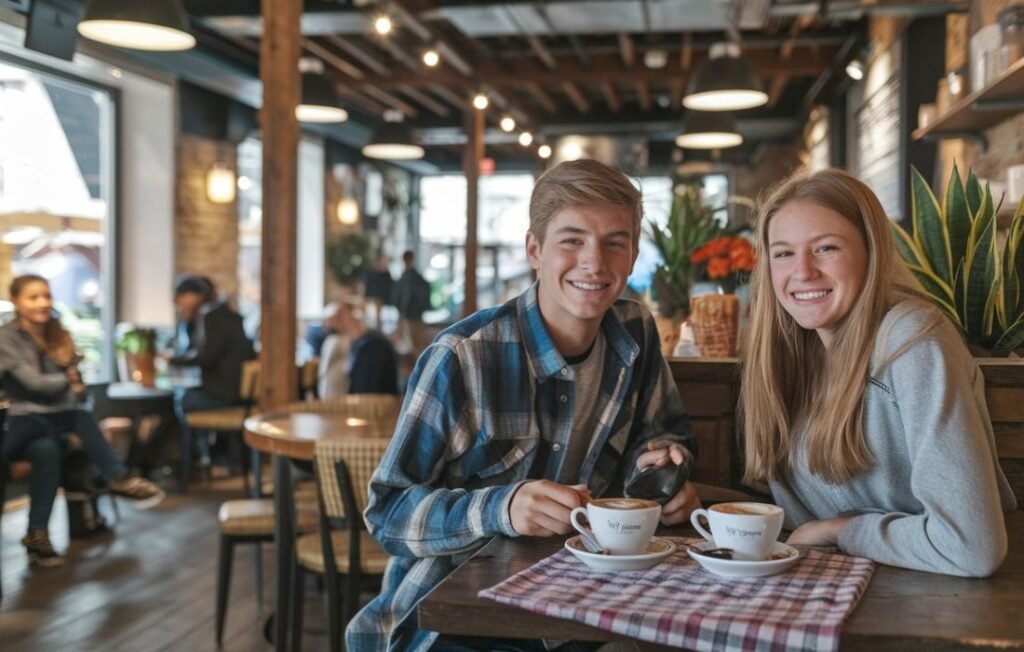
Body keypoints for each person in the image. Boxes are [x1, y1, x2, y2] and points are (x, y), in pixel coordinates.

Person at [347, 160, 700, 651]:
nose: (594, 263)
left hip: (585, 600)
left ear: (633, 253)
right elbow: (386, 514)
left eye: (614, 242)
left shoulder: (635, 330)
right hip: (456, 620)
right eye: (572, 240)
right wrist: (501, 508)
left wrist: (661, 468)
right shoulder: (462, 356)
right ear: (535, 250)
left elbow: (665, 433)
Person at [740, 168, 1017, 577]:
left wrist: (840, 530)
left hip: (929, 599)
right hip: (835, 584)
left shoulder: (912, 338)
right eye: (783, 253)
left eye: (826, 248)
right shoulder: (792, 353)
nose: (802, 271)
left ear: (872, 252)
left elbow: (971, 547)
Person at [0, 275, 165, 567]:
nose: (43, 303)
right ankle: (117, 476)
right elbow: (34, 384)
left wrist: (71, 380)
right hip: (20, 423)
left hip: (49, 425)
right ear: (16, 300)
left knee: (48, 450)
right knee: (77, 417)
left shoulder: (57, 332)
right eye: (34, 297)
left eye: (47, 296)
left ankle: (37, 535)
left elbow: (80, 385)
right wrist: (67, 378)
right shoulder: (6, 338)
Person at [169, 275, 254, 470]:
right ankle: (209, 455)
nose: (178, 303)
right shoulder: (224, 313)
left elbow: (207, 357)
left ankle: (195, 461)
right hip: (236, 392)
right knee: (184, 397)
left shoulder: (211, 316)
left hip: (225, 394)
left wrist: (173, 360)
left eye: (181, 296)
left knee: (181, 400)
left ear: (193, 296)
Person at [318, 297, 399, 398]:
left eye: (339, 314)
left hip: (376, 409)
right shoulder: (355, 345)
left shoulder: (374, 347)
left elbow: (368, 393)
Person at [393, 249, 432, 356]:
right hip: (409, 315)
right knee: (413, 346)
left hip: (413, 315)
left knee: (416, 346)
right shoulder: (408, 277)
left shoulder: (412, 278)